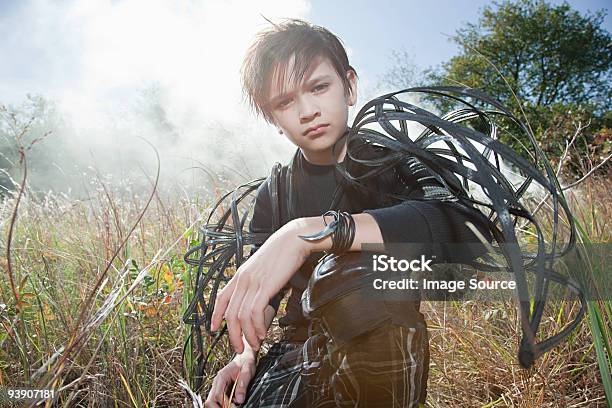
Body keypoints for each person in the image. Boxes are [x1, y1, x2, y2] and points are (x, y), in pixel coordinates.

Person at [204, 19, 492, 407]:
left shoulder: (395, 161)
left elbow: (466, 231)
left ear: (350, 86)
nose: (307, 111)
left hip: (378, 358)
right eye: (285, 102)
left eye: (319, 87)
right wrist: (245, 356)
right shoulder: (276, 190)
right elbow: (261, 298)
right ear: (273, 119)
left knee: (358, 273)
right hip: (295, 357)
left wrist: (307, 234)